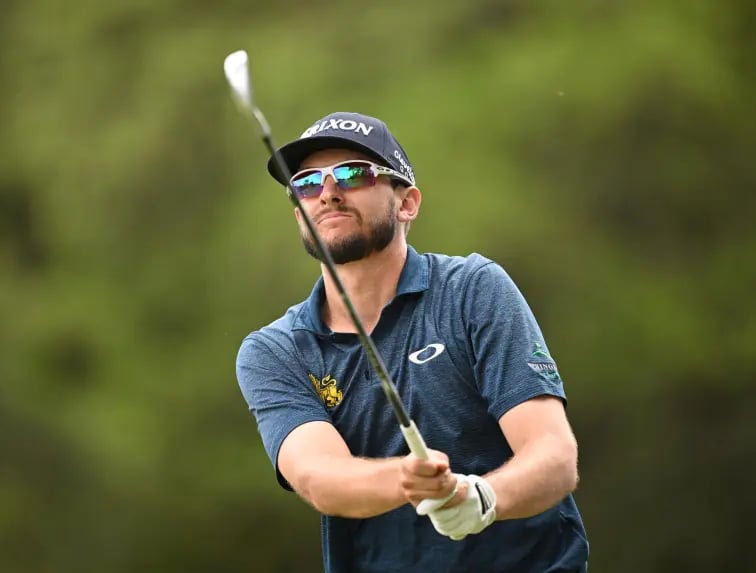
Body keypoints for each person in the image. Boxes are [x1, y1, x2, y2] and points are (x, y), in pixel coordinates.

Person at [236, 111, 589, 572]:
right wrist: (408, 477)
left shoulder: (472, 290)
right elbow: (318, 477)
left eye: (353, 174)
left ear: (407, 203)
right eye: (307, 183)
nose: (328, 192)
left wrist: (483, 497)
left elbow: (554, 456)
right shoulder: (275, 350)